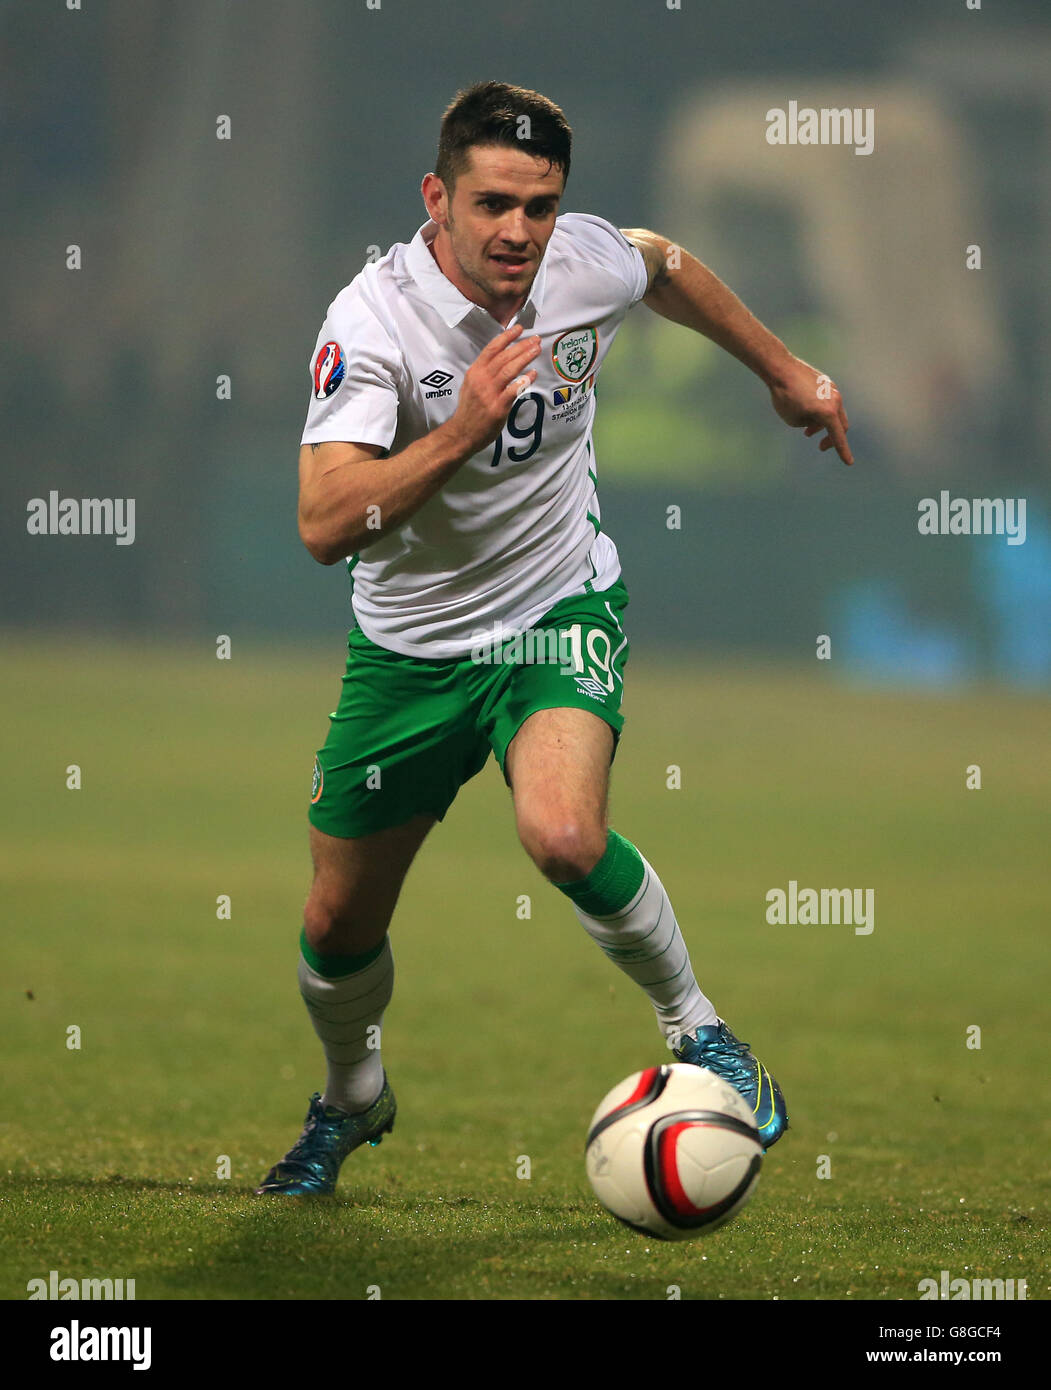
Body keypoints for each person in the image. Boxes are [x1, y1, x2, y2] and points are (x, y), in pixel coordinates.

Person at [256, 80, 851, 1196]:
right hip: (410, 650)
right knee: (336, 924)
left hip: (554, 610)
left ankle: (701, 1030)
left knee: (565, 835)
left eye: (539, 204)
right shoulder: (372, 321)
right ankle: (351, 1096)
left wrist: (784, 372)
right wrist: (462, 430)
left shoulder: (581, 263)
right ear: (436, 197)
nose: (519, 231)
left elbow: (662, 263)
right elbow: (325, 524)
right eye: (491, 203)